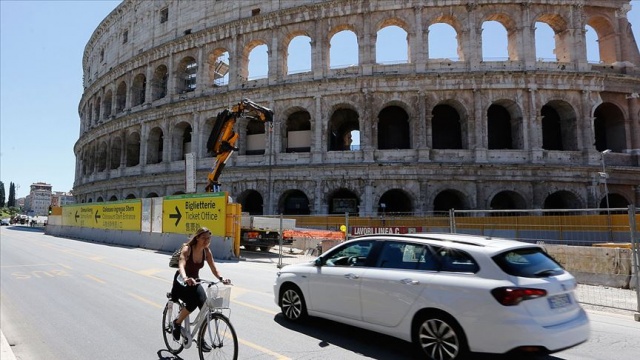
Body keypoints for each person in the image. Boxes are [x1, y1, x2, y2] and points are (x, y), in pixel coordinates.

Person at [171, 227, 230, 348]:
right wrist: (186, 277)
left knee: (205, 306)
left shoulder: (206, 251)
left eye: (208, 238)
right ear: (197, 238)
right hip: (181, 281)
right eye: (203, 238)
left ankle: (201, 339)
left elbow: (214, 268)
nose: (206, 240)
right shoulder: (187, 248)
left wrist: (221, 278)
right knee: (192, 303)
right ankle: (177, 323)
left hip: (195, 282)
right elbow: (181, 264)